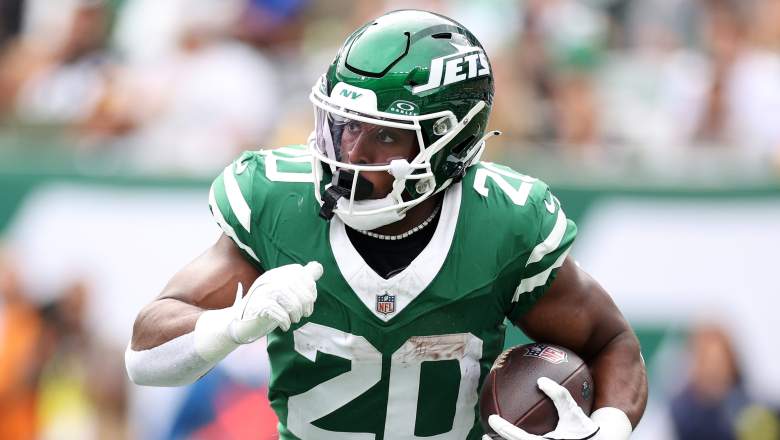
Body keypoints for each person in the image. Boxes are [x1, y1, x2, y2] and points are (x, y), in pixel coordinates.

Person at [126, 9, 647, 440]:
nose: (351, 153)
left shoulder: (504, 223)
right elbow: (143, 358)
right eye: (346, 125)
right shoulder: (277, 202)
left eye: (386, 136)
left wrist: (606, 428)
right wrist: (232, 325)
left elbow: (611, 344)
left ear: (453, 143)